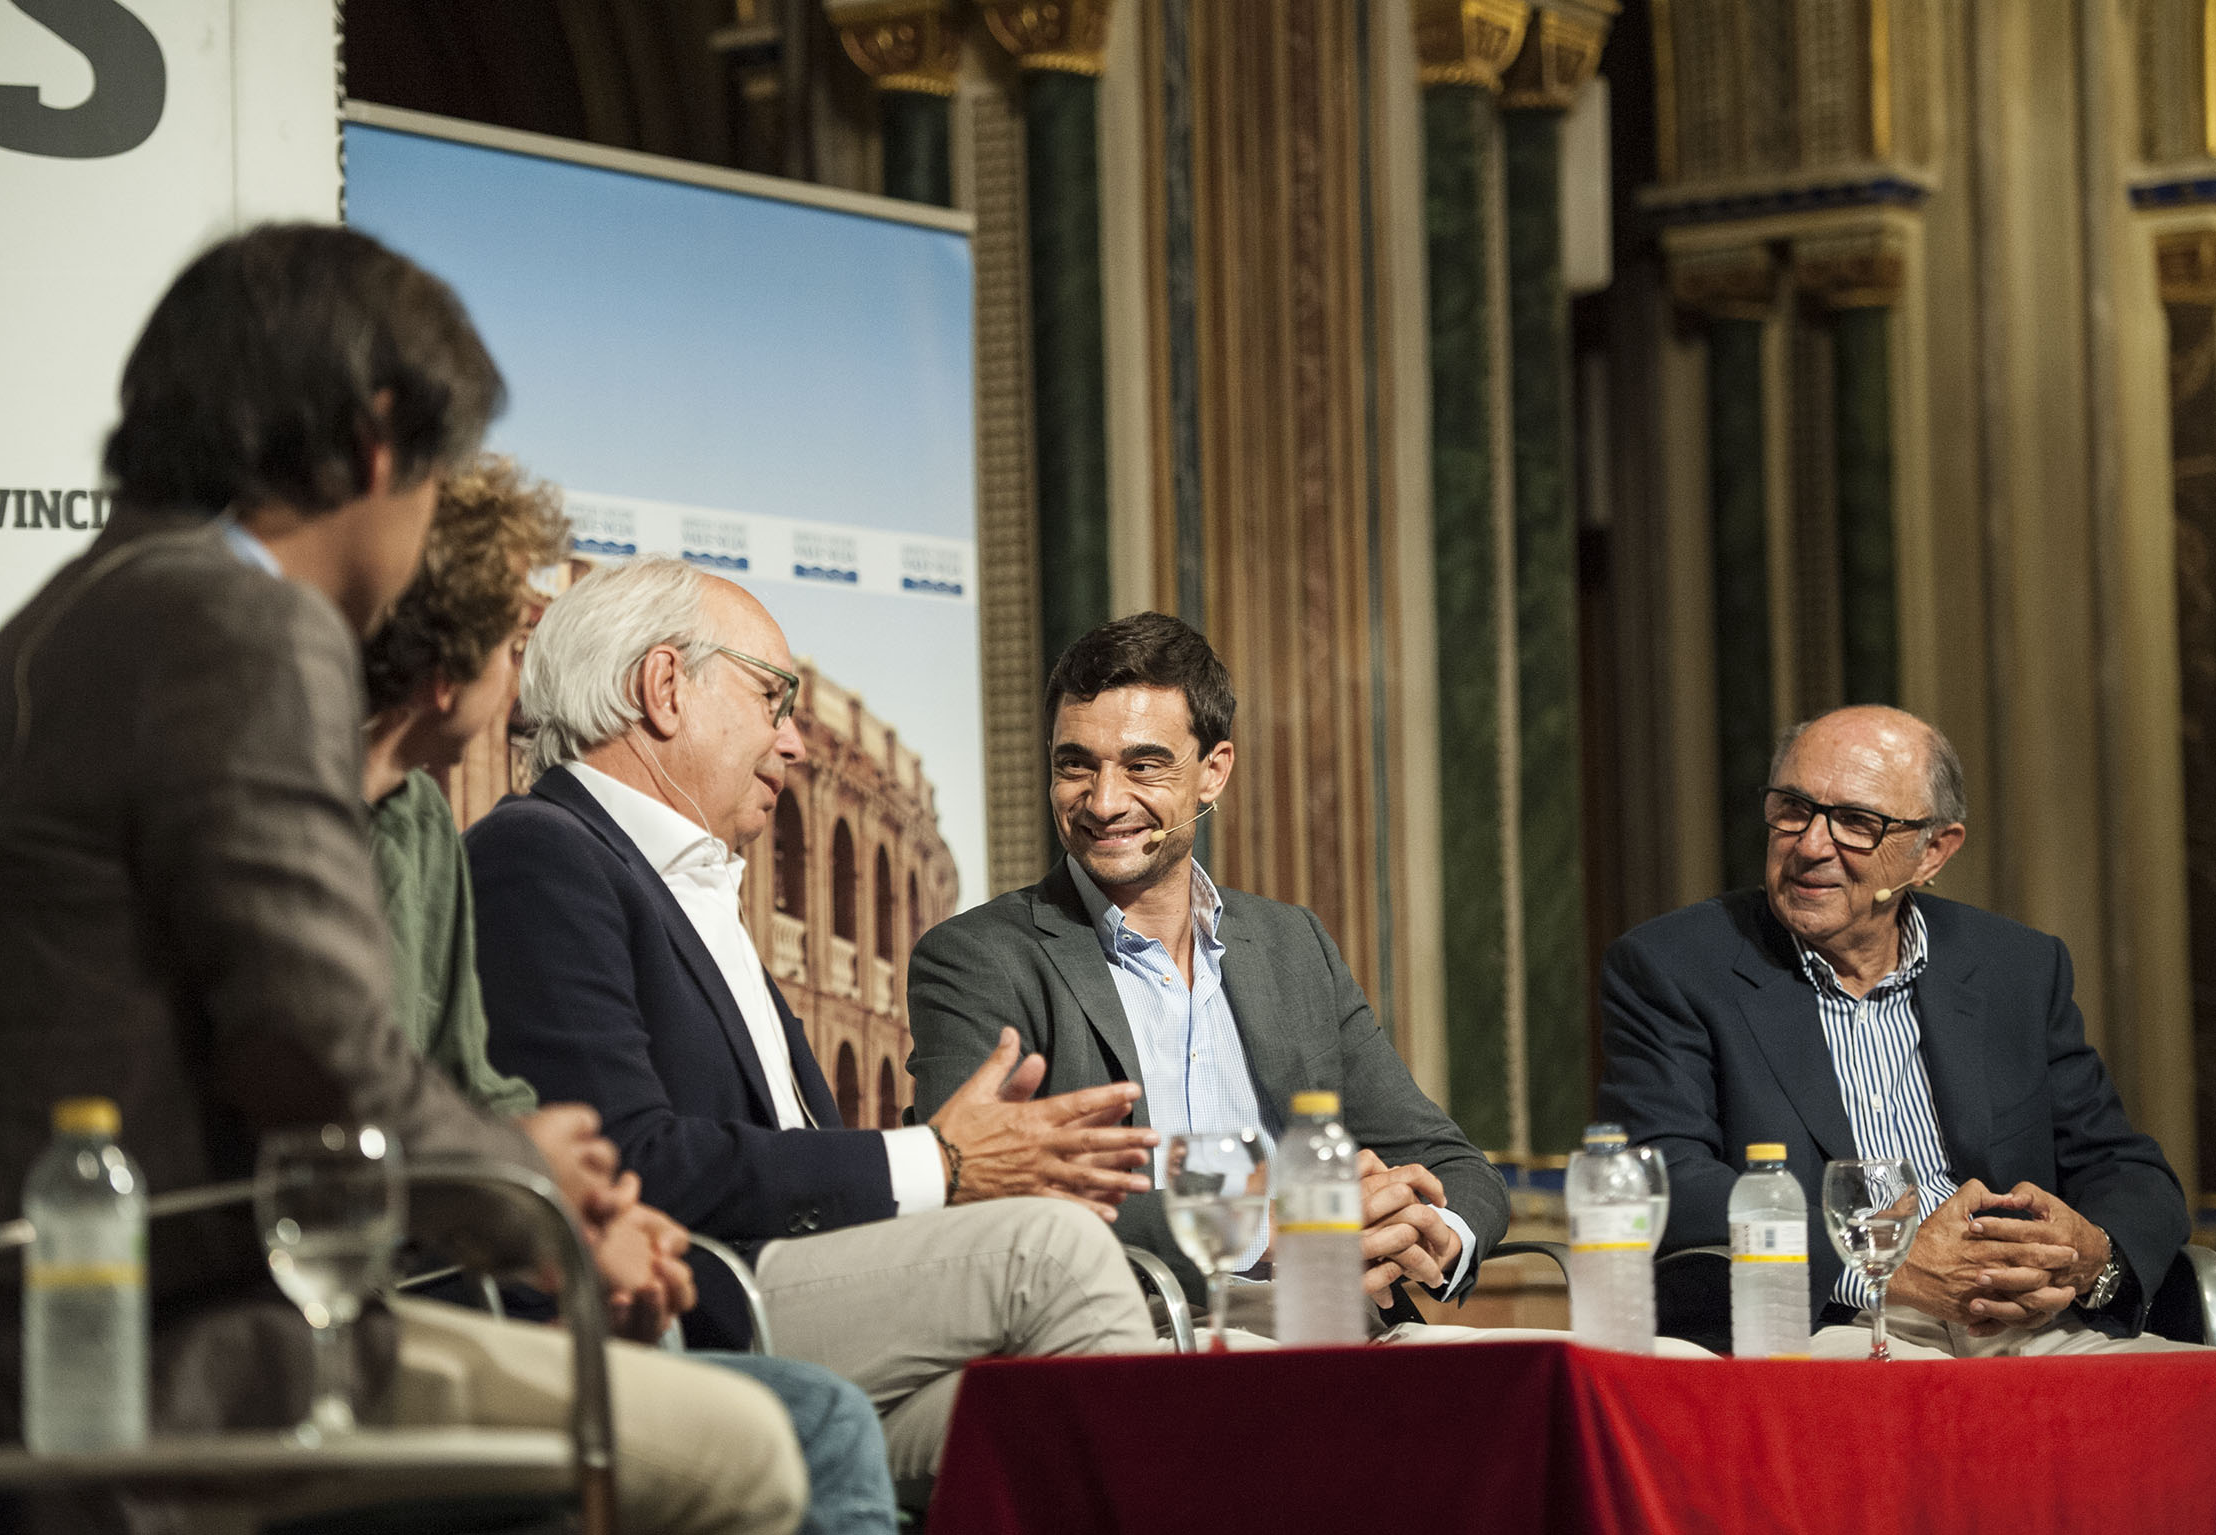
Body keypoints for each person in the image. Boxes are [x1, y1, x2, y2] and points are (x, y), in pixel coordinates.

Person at [0, 225, 809, 1533]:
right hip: (150, 1355)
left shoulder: (86, 604)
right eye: (435, 478)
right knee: (745, 1447)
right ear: (378, 440)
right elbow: (315, 1048)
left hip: (9, 1334)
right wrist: (526, 1189)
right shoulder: (242, 623)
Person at [464, 554, 1160, 1491]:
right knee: (1056, 1253)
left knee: (1045, 1405)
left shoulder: (693, 886)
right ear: (666, 688)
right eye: (772, 699)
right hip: (705, 1300)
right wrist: (940, 1163)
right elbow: (622, 1160)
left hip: (801, 1300)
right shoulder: (539, 851)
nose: (794, 743)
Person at [360, 456, 897, 1535]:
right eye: (514, 647)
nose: (526, 692)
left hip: (521, 1273)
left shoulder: (416, 819)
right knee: (827, 1414)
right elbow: (345, 1086)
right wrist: (560, 1194)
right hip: (361, 1311)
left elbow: (477, 1081)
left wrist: (588, 1201)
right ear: (440, 652)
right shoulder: (504, 843)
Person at [907, 611, 1510, 1333]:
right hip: (1128, 1334)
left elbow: (1448, 1160)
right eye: (1076, 764)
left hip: (1341, 1327)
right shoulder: (976, 958)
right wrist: (1276, 1229)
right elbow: (984, 1192)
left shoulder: (1292, 944)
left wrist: (1427, 1230)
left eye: (1143, 765)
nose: (1103, 800)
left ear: (1213, 772)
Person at [1598, 704, 2199, 1357]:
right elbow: (1668, 1176)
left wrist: (2092, 1257)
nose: (1810, 843)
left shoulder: (2015, 965)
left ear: (1933, 851)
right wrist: (1887, 1265)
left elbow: (2122, 1163)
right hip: (1834, 1320)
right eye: (1793, 807)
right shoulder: (1674, 965)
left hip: (2029, 1318)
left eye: (1857, 822)